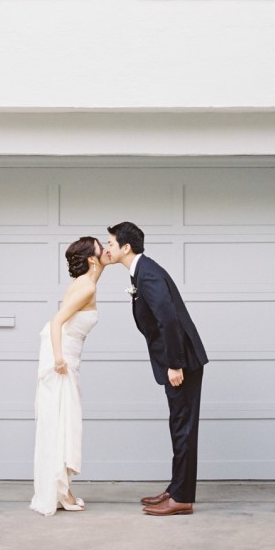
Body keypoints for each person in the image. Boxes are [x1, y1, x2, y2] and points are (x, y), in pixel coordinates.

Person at [106, 220, 208, 516]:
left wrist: (175, 365)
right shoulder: (143, 271)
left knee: (183, 428)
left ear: (126, 247)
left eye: (110, 244)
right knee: (178, 425)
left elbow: (169, 321)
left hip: (182, 363)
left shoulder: (147, 274)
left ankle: (182, 498)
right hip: (177, 361)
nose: (108, 249)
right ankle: (176, 488)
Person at [30, 235, 105, 516]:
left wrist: (108, 260)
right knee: (60, 423)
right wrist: (59, 359)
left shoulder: (88, 281)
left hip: (67, 353)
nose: (107, 251)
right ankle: (61, 494)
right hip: (60, 355)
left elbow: (99, 267)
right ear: (91, 259)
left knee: (64, 421)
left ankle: (62, 490)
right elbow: (57, 321)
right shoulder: (86, 288)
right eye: (102, 248)